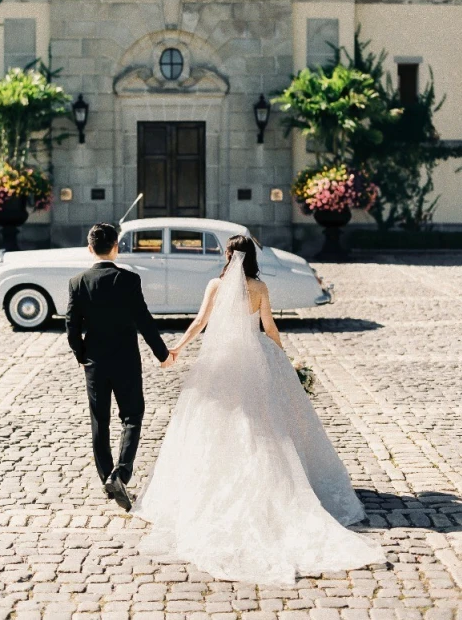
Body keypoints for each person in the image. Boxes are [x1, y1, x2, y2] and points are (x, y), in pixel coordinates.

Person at [132, 235, 386, 585]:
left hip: (219, 362)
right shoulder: (260, 287)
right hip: (254, 358)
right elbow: (269, 327)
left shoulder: (215, 285)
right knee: (267, 426)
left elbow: (199, 322)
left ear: (227, 256)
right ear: (252, 257)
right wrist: (284, 359)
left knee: (215, 423)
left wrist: (175, 348)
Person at [65, 223, 174, 512]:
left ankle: (107, 479)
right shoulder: (129, 280)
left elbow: (71, 327)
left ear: (90, 248)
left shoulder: (78, 282)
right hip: (126, 359)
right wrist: (162, 354)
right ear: (116, 247)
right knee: (132, 416)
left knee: (100, 422)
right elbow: (144, 320)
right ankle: (121, 474)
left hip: (95, 363)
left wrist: (82, 355)